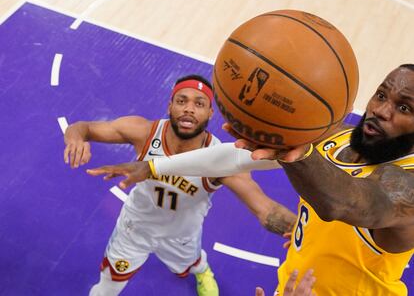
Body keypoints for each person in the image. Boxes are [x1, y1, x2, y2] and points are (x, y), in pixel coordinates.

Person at [87, 64, 414, 295]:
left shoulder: (408, 188)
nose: (382, 111)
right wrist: (154, 168)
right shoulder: (341, 139)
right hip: (293, 285)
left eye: (404, 107)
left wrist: (292, 150)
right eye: (381, 95)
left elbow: (342, 202)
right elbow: (235, 157)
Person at [64, 74, 297, 296]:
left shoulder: (219, 159)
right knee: (107, 285)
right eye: (181, 101)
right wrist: (75, 138)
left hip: (181, 236)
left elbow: (265, 209)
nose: (189, 108)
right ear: (170, 106)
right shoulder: (144, 132)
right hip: (134, 228)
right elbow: (84, 127)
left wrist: (302, 228)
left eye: (199, 103)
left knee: (192, 263)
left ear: (210, 113)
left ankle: (203, 271)